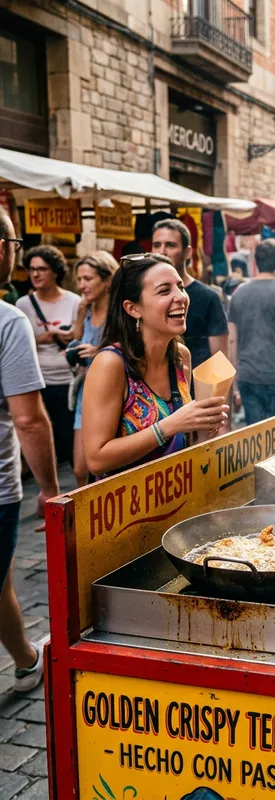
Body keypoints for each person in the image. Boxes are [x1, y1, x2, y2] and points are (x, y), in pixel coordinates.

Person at [82, 254, 229, 478]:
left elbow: (181, 443)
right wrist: (170, 426)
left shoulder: (181, 356)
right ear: (133, 308)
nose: (181, 297)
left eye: (180, 287)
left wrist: (202, 429)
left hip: (176, 493)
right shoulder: (110, 364)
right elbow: (96, 459)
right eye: (164, 291)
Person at [0, 209, 59, 692]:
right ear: (3, 250)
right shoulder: (8, 320)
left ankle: (25, 660)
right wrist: (51, 489)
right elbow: (28, 419)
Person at [16, 245, 81, 469]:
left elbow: (81, 336)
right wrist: (43, 338)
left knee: (68, 442)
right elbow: (17, 345)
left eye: (42, 269)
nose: (35, 274)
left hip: (67, 381)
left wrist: (70, 336)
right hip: (38, 381)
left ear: (55, 271)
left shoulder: (74, 301)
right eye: (32, 269)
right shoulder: (23, 304)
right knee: (43, 442)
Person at [228, 240, 275, 424]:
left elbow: (232, 341)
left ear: (256, 262)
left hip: (248, 376)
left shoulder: (238, 294)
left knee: (256, 434)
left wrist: (234, 384)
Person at [151, 219, 228, 370]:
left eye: (170, 245)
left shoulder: (208, 297)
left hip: (196, 381)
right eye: (157, 245)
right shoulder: (145, 294)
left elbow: (220, 359)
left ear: (187, 252)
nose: (162, 251)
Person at [69, 252, 118, 486]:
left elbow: (131, 347)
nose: (82, 285)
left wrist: (99, 350)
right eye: (79, 279)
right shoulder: (86, 308)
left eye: (88, 279)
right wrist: (80, 313)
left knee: (105, 467)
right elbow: (77, 337)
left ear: (107, 280)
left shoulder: (118, 313)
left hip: (110, 392)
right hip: (85, 392)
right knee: (80, 468)